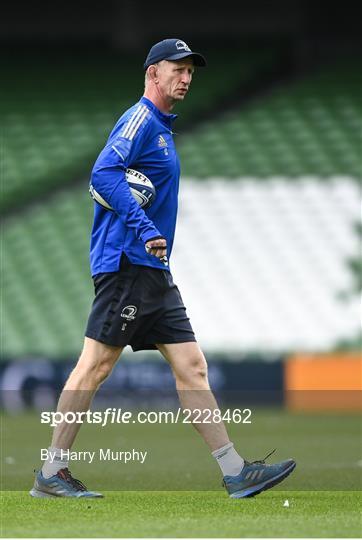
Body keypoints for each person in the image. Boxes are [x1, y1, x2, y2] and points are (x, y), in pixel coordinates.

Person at [30, 38, 296, 499]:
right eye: (178, 69)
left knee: (192, 367)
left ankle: (235, 472)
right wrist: (143, 225)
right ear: (153, 73)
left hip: (152, 268)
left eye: (192, 71)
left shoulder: (161, 130)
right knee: (95, 365)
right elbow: (102, 174)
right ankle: (51, 473)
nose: (187, 77)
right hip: (128, 263)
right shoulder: (139, 120)